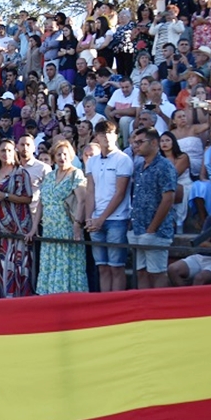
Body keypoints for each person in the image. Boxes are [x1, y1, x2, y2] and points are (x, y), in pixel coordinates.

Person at [84, 120, 133, 292]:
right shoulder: (92, 161)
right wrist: (89, 217)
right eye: (102, 133)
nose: (106, 137)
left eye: (110, 133)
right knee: (102, 267)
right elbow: (90, 191)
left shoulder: (123, 159)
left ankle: (117, 306)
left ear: (116, 135)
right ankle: (105, 305)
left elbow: (120, 193)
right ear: (96, 137)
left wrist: (101, 219)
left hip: (117, 219)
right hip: (96, 219)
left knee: (116, 267)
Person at [34, 139, 87, 295]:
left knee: (67, 263)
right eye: (58, 154)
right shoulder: (50, 176)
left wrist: (77, 226)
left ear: (70, 155)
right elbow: (41, 203)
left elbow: (82, 200)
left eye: (65, 154)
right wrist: (34, 227)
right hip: (50, 228)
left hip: (67, 227)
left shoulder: (76, 173)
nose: (62, 157)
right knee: (50, 262)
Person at [127, 128, 177, 289]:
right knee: (140, 271)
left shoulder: (164, 166)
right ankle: (144, 309)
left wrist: (152, 229)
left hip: (157, 230)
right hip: (138, 228)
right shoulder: (140, 166)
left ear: (154, 143)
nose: (136, 145)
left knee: (157, 273)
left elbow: (168, 198)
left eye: (140, 142)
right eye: (135, 142)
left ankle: (161, 311)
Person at [0, 138, 34, 297]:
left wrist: (5, 195)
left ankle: (23, 297)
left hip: (19, 223)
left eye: (9, 150)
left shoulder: (21, 173)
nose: (6, 153)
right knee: (5, 262)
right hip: (1, 224)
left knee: (21, 263)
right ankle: (7, 296)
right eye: (2, 150)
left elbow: (27, 198)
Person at [159, 131, 192, 233]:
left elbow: (173, 175)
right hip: (163, 185)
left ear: (173, 142)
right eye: (162, 141)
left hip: (183, 185)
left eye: (167, 140)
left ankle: (176, 223)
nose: (164, 143)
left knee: (167, 188)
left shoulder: (182, 157)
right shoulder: (157, 159)